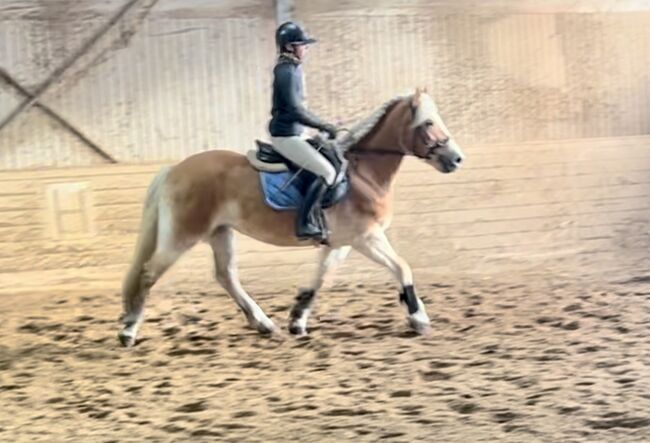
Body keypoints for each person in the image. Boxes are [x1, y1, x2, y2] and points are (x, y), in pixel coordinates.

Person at [268, 21, 339, 243]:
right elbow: (296, 109)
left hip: (296, 133)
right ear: (289, 47)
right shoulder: (286, 72)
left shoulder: (292, 69)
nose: (306, 48)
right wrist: (324, 125)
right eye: (302, 45)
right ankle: (304, 223)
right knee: (327, 173)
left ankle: (319, 218)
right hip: (286, 136)